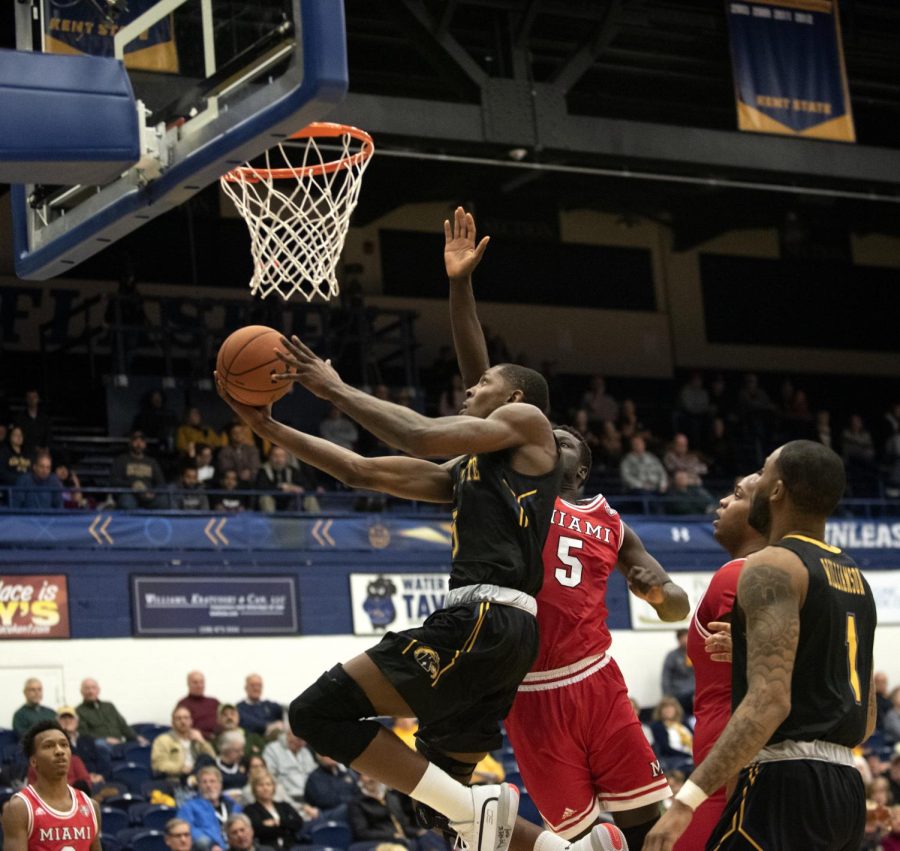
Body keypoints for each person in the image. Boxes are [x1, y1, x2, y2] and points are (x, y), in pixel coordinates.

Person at [214, 213, 618, 851]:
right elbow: (359, 469)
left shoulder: (531, 424)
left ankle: (492, 816)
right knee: (439, 800)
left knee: (316, 713)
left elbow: (420, 432)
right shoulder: (474, 470)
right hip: (503, 635)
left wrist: (336, 389)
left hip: (482, 619)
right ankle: (567, 850)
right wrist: (271, 432)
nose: (468, 389)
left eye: (482, 385)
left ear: (514, 396)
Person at [445, 206, 689, 849]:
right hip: (528, 689)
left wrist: (664, 594)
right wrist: (460, 285)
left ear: (578, 467)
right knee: (576, 841)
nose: (548, 440)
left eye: (562, 440)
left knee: (648, 829)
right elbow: (481, 383)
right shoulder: (510, 486)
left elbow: (670, 602)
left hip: (596, 679)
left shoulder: (609, 521)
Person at [646, 440, 877, 850]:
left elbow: (770, 701)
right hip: (845, 788)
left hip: (782, 781)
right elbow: (868, 717)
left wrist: (686, 802)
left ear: (777, 490)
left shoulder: (771, 565)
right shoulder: (854, 576)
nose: (758, 478)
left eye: (765, 471)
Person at [671, 473, 767, 851]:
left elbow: (757, 689)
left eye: (737, 495)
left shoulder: (739, 573)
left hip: (725, 767)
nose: (722, 502)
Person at [1, 720, 101, 851]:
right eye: (48, 746)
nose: (59, 751)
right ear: (33, 761)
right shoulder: (19, 809)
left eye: (64, 745)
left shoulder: (91, 807)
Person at [348, 774, 422, 850]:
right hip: (380, 841)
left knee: (428, 836)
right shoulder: (357, 803)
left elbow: (403, 825)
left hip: (404, 838)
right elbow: (362, 832)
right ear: (360, 779)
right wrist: (392, 835)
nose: (371, 779)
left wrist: (418, 832)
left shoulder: (391, 796)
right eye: (366, 775)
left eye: (372, 774)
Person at [178, 766, 242, 851]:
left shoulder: (233, 805)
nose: (208, 785)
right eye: (204, 782)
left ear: (220, 784)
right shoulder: (189, 807)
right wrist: (210, 845)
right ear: (199, 786)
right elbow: (185, 830)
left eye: (212, 781)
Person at [76, 677, 147, 748]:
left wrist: (137, 737)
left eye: (93, 688)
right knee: (101, 744)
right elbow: (84, 734)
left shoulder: (109, 706)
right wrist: (106, 739)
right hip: (100, 746)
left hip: (119, 744)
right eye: (87, 688)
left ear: (98, 690)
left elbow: (123, 726)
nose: (90, 691)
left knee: (143, 746)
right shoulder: (79, 711)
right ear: (81, 692)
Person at [243, 772, 305, 849]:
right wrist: (287, 829)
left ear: (273, 787)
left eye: (268, 784)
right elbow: (259, 830)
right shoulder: (250, 809)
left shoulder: (284, 805)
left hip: (292, 846)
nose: (265, 788)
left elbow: (298, 823)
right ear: (254, 788)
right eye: (260, 785)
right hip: (267, 847)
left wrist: (277, 822)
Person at [151, 706, 216, 781]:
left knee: (204, 758)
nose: (183, 721)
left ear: (191, 721)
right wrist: (180, 768)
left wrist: (201, 741)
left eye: (186, 718)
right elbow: (158, 765)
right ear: (172, 723)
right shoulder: (163, 740)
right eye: (178, 719)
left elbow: (212, 759)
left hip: (200, 777)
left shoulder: (196, 739)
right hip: (177, 778)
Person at [110, 430, 167, 509]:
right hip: (129, 494)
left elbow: (161, 483)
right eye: (136, 441)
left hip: (148, 495)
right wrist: (131, 485)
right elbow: (114, 481)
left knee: (164, 502)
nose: (139, 444)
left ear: (145, 444)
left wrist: (153, 492)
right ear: (130, 443)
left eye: (141, 441)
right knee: (127, 503)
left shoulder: (152, 462)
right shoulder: (121, 460)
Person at [262, 731, 318, 806]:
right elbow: (270, 777)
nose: (301, 743)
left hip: (312, 798)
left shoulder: (305, 752)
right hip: (289, 799)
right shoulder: (272, 750)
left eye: (304, 740)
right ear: (289, 734)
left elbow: (315, 775)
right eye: (298, 739)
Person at [254, 447, 318, 512]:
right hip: (273, 501)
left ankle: (316, 521)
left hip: (291, 503)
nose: (279, 459)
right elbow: (261, 489)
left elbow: (308, 487)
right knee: (266, 499)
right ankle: (270, 521)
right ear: (270, 457)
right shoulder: (263, 470)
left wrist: (296, 488)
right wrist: (281, 489)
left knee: (310, 498)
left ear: (286, 458)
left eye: (282, 456)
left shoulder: (292, 470)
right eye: (275, 456)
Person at [56, 705, 109, 783]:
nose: (67, 721)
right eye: (63, 718)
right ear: (57, 722)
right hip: (74, 782)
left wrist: (101, 775)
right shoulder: (56, 743)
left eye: (70, 718)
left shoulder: (87, 740)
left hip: (96, 780)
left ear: (76, 721)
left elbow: (102, 762)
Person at [648, 698, 693, 776]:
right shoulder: (658, 726)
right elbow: (665, 748)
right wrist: (688, 755)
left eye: (671, 707)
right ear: (660, 711)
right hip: (676, 759)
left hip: (693, 756)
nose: (668, 710)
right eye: (665, 707)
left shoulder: (684, 723)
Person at [177, 671, 221, 741]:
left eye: (201, 682)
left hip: (220, 737)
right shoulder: (183, 704)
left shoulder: (214, 702)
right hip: (198, 739)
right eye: (195, 682)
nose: (199, 685)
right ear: (188, 684)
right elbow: (180, 726)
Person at [237, 674, 284, 740]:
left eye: (259, 685)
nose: (256, 688)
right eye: (253, 685)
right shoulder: (239, 708)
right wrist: (268, 726)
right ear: (246, 688)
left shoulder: (271, 706)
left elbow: (282, 718)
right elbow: (249, 723)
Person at [660, 631, 694, 717]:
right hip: (679, 694)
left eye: (688, 637)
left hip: (696, 693)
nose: (686, 640)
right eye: (683, 637)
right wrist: (667, 696)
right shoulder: (672, 656)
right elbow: (666, 677)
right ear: (679, 640)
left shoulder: (696, 653)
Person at [14, 389, 52, 456]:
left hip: (41, 453)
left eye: (34, 397)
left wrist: (44, 449)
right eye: (29, 397)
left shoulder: (45, 418)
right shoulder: (20, 418)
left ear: (38, 399)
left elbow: (48, 436)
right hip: (24, 452)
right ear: (26, 399)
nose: (32, 400)